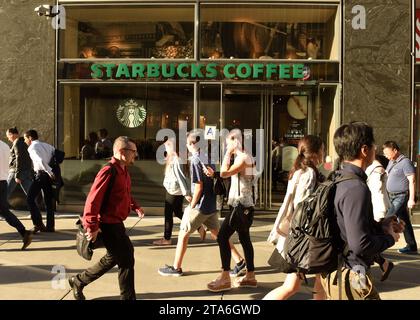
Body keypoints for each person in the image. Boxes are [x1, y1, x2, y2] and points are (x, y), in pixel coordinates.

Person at [320, 122, 401, 300]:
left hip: (338, 271)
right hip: (353, 273)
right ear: (365, 150)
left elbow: (348, 226)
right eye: (374, 145)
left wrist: (382, 225)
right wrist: (390, 239)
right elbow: (360, 244)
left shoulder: (338, 178)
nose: (375, 149)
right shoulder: (356, 187)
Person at [158, 130, 244, 277]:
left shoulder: (196, 160)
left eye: (188, 143)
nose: (186, 146)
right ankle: (240, 261)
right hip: (211, 205)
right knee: (219, 235)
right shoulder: (208, 158)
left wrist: (191, 207)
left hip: (200, 206)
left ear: (193, 144)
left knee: (183, 234)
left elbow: (198, 187)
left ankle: (176, 267)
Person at [68, 136, 145, 300]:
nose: (135, 155)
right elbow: (93, 200)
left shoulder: (123, 170)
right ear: (122, 152)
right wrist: (92, 226)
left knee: (113, 258)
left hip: (116, 223)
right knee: (126, 259)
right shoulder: (108, 170)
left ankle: (79, 281)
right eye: (133, 152)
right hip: (108, 224)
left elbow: (124, 194)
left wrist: (135, 206)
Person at [264, 135, 326, 300]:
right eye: (322, 150)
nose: (324, 154)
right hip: (302, 239)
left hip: (297, 237)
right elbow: (303, 207)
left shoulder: (299, 170)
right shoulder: (309, 173)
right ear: (315, 153)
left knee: (292, 286)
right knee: (297, 286)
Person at [206, 129, 259, 292]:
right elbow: (232, 175)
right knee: (244, 239)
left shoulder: (243, 158)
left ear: (235, 141)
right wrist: (215, 174)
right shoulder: (245, 157)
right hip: (245, 206)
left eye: (228, 142)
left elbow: (225, 173)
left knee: (222, 237)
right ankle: (250, 276)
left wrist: (227, 154)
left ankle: (225, 277)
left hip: (240, 205)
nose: (225, 145)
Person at [153, 137, 191, 246]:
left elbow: (181, 177)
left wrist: (186, 192)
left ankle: (167, 238)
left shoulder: (177, 159)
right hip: (174, 189)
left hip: (173, 190)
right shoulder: (174, 158)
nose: (165, 147)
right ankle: (198, 226)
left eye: (167, 145)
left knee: (168, 214)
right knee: (178, 212)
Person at [383, 141, 418, 254]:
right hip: (391, 196)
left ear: (395, 150)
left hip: (401, 196)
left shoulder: (405, 162)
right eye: (384, 153)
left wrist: (411, 199)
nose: (386, 155)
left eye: (387, 153)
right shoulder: (391, 162)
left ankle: (379, 246)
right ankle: (411, 245)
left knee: (387, 218)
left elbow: (412, 180)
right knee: (404, 221)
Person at [0, 139, 33, 250]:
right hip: (3, 181)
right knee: (4, 211)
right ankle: (24, 233)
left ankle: (24, 233)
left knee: (4, 211)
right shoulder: (4, 145)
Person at [366, 154, 394, 281]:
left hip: (375, 211)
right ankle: (384, 263)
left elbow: (377, 191)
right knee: (368, 241)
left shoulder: (376, 171)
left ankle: (383, 264)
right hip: (377, 211)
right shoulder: (378, 170)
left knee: (367, 242)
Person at [24, 130, 56, 232]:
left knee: (29, 199)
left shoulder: (32, 147)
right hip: (48, 176)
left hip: (41, 175)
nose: (25, 141)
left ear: (30, 138)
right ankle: (50, 226)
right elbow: (55, 156)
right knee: (48, 201)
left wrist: (49, 171)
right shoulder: (48, 146)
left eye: (25, 138)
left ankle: (38, 224)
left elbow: (40, 160)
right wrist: (51, 172)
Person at [5, 127, 33, 199]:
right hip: (26, 171)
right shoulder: (23, 143)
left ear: (12, 135)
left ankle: (2, 208)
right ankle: (35, 209)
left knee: (5, 192)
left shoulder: (17, 142)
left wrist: (17, 174)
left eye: (8, 136)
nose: (8, 138)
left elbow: (18, 158)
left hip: (15, 171)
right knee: (30, 194)